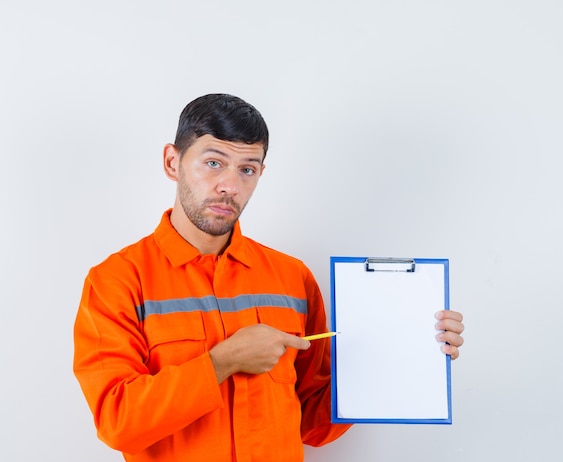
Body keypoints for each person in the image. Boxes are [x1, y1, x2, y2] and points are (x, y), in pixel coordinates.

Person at [73, 93, 465, 462]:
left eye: (247, 169)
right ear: (172, 162)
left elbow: (312, 422)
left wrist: (408, 352)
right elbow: (117, 421)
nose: (230, 186)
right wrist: (220, 363)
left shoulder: (292, 278)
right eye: (213, 162)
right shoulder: (117, 281)